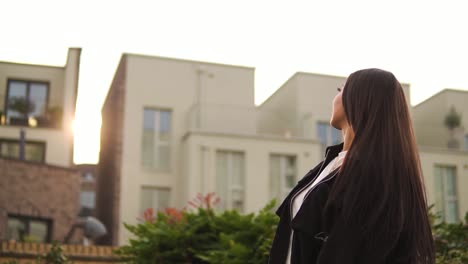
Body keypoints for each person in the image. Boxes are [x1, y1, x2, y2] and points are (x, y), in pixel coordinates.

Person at [268, 68, 435, 264]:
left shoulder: (375, 176)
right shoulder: (331, 165)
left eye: (340, 89)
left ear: (360, 99)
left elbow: (348, 250)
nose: (334, 97)